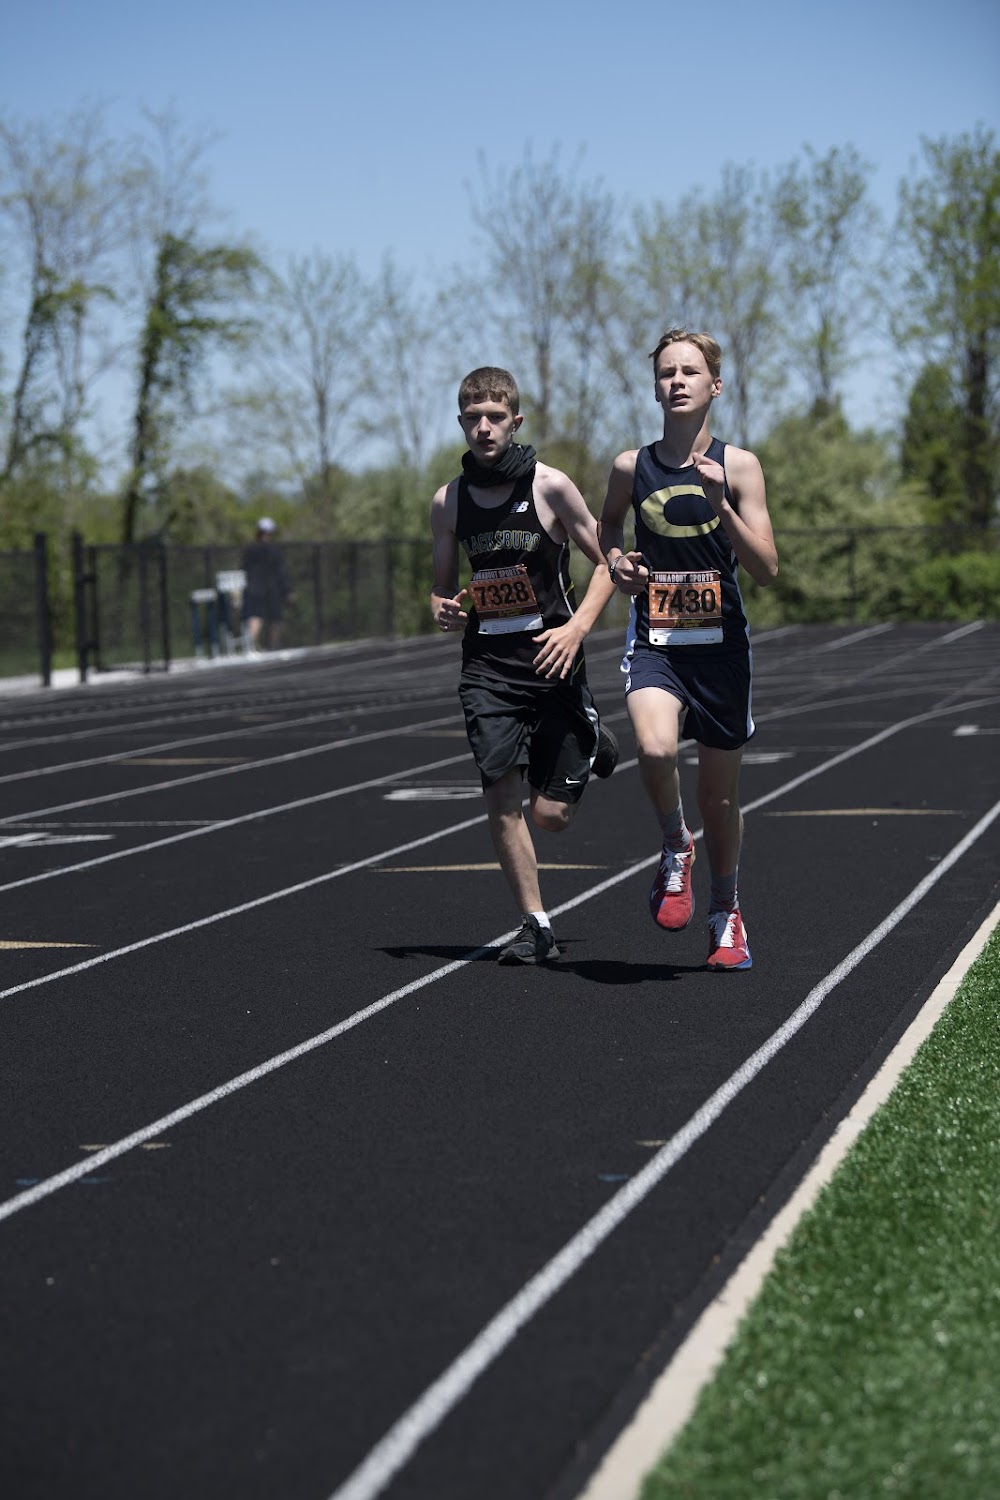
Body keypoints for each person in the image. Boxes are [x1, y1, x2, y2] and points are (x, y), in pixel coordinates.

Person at [598, 329, 778, 970]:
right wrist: (617, 562)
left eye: (689, 372)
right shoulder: (631, 466)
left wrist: (721, 505)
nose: (676, 381)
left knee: (718, 802)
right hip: (657, 640)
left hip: (722, 648)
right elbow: (608, 524)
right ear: (655, 389)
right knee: (653, 748)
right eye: (666, 373)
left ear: (715, 386)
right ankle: (676, 845)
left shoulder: (741, 466)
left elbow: (766, 568)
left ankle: (726, 913)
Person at [430, 366, 619, 965]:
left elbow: (609, 562)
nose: (483, 428)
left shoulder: (551, 486)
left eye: (494, 417)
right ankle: (535, 924)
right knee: (501, 797)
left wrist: (577, 628)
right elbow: (442, 587)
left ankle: (592, 740)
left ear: (516, 421)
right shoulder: (448, 502)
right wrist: (444, 607)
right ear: (460, 422)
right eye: (472, 418)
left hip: (551, 658)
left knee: (551, 816)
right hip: (487, 666)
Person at [241, 517, 293, 654]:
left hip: (256, 588)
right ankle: (269, 648)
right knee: (271, 618)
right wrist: (287, 589)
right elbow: (282, 571)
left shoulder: (250, 549)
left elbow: (243, 569)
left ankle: (253, 648)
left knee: (260, 617)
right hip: (268, 588)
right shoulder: (275, 550)